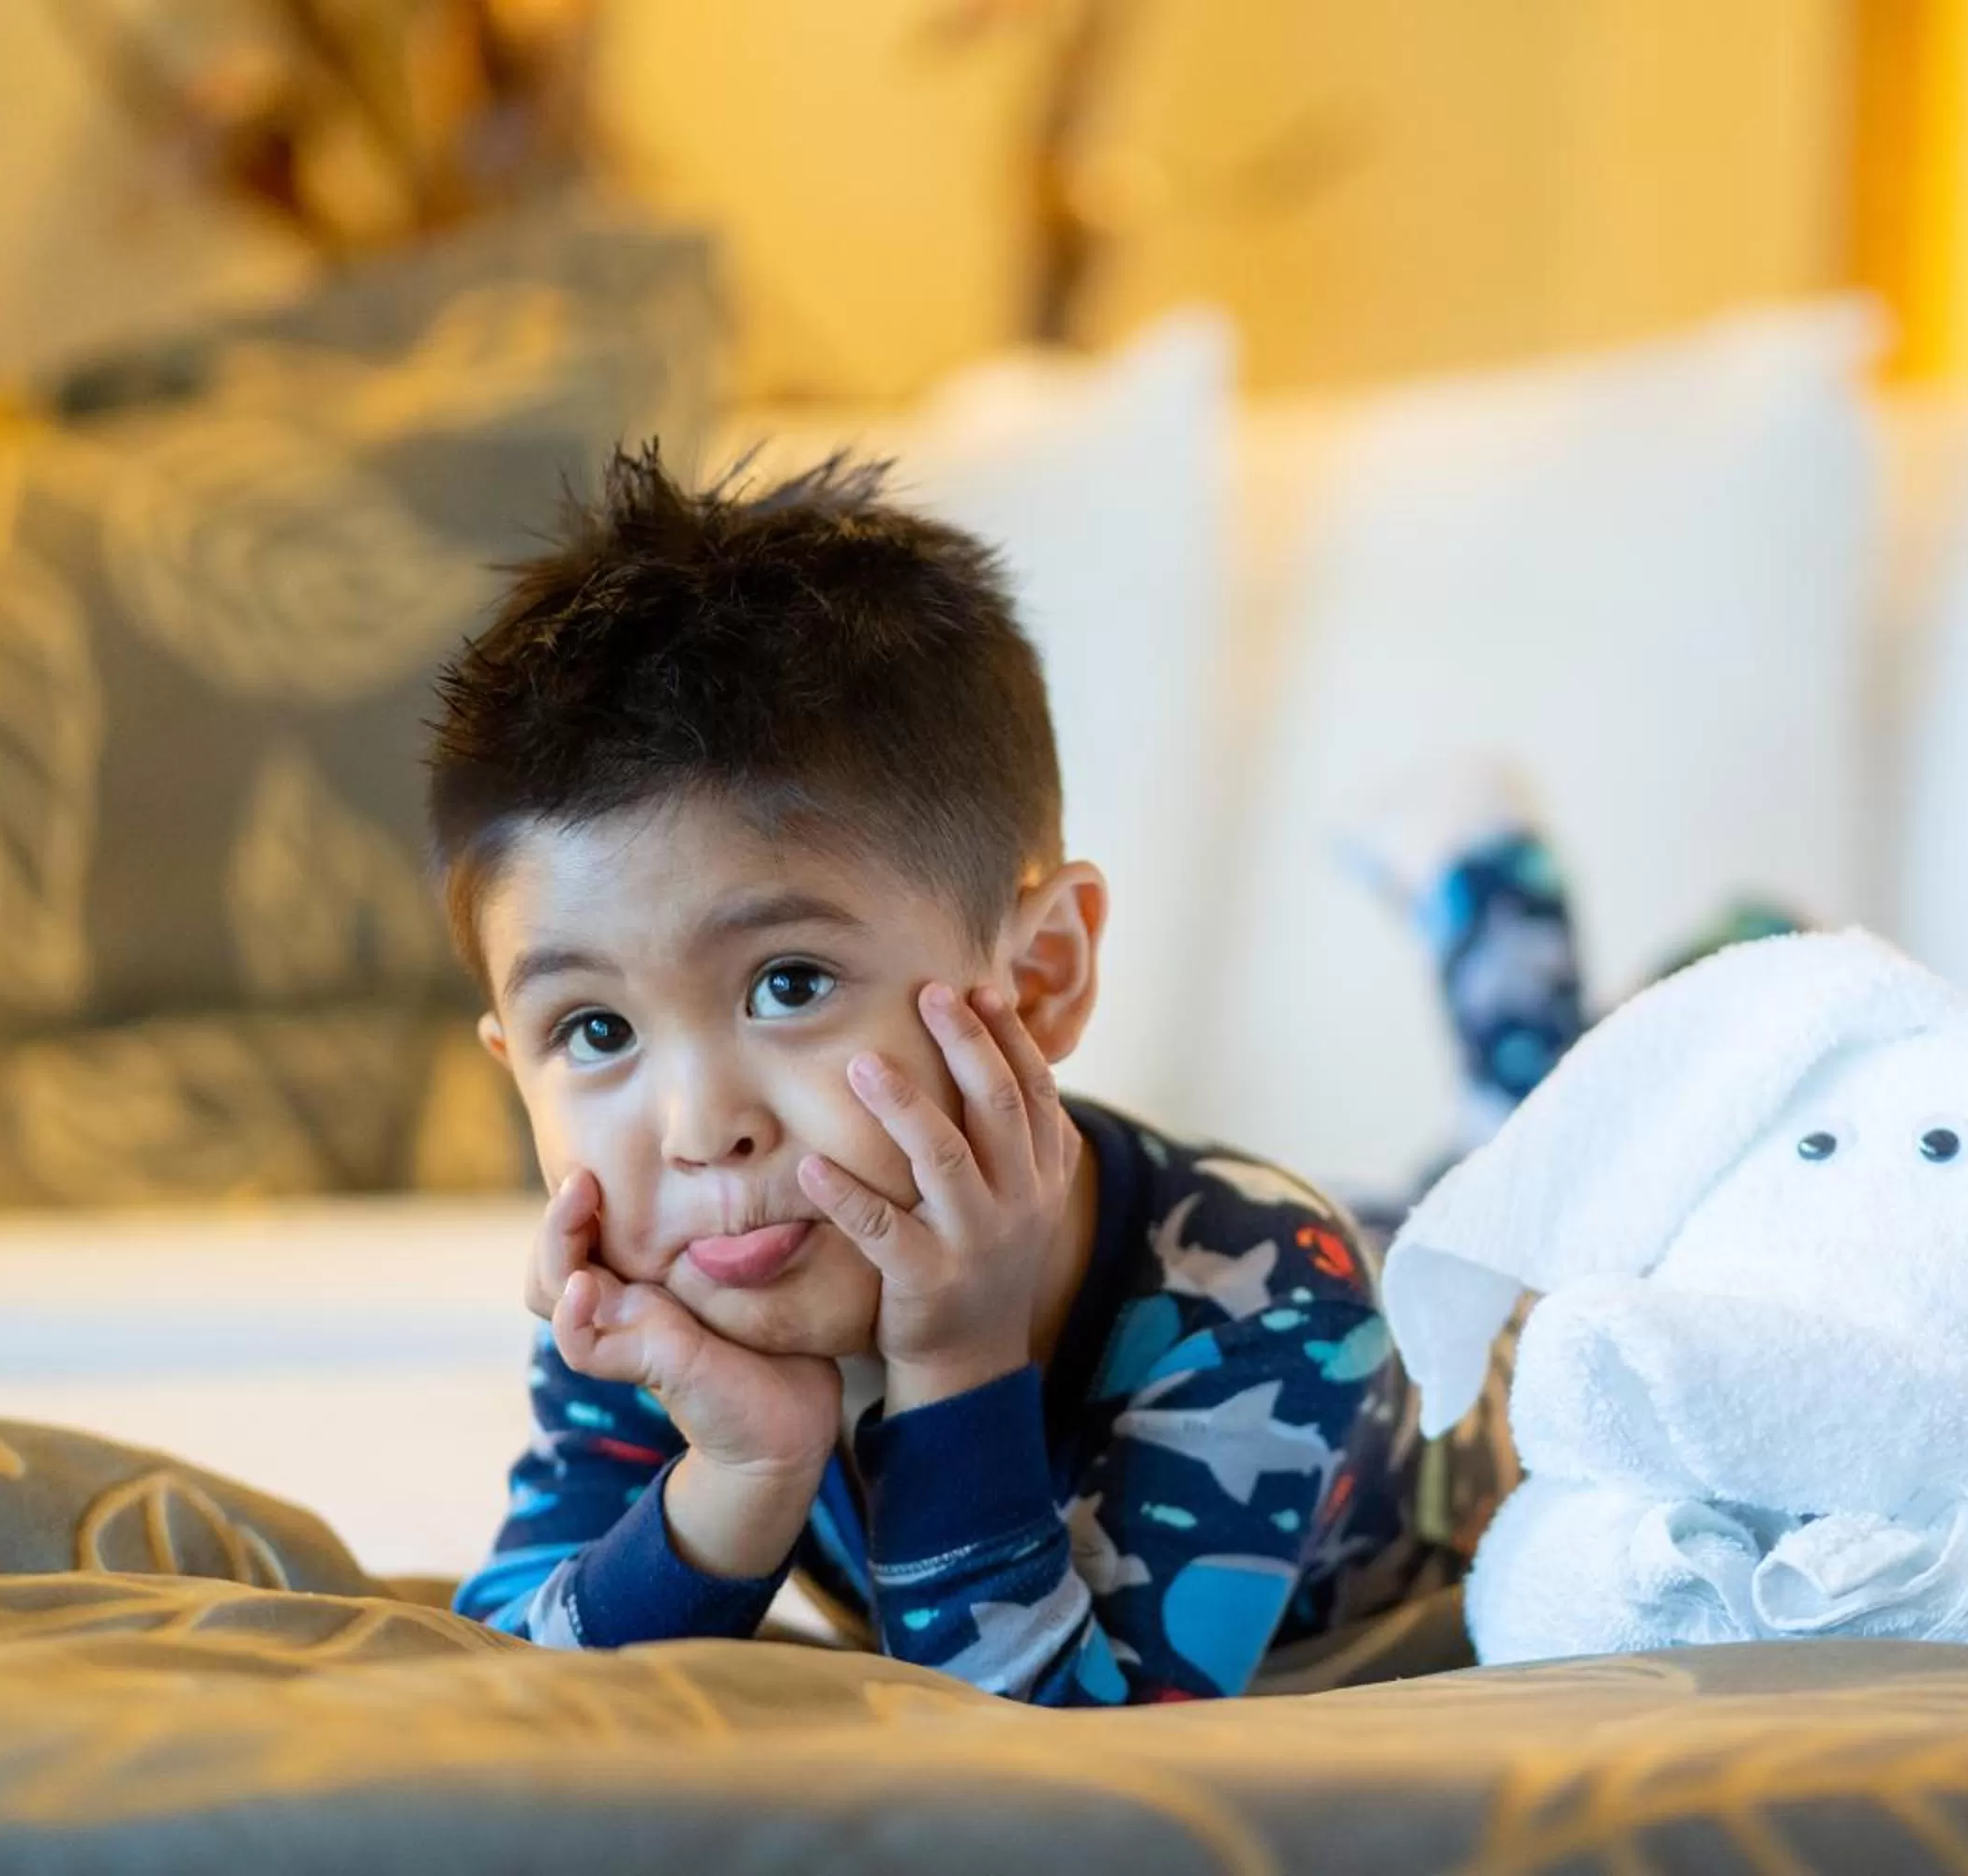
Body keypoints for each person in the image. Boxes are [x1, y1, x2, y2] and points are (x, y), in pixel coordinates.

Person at [438, 446, 1440, 1703]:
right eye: (594, 1031)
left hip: (1427, 1317)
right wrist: (739, 1477)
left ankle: (1489, 908)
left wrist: (958, 1366)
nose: (698, 1130)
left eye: (787, 984)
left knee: (1506, 1183)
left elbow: (1059, 1769)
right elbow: (507, 1686)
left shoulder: (1274, 1301)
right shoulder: (657, 1296)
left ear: (1040, 975)